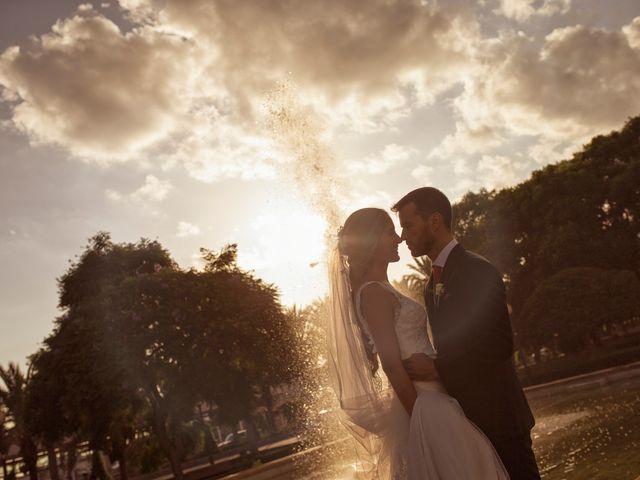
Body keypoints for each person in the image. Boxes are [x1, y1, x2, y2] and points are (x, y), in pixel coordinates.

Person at [328, 207, 508, 479]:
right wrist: (420, 420)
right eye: (390, 232)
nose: (399, 239)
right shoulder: (373, 293)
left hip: (435, 397)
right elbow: (390, 364)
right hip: (424, 404)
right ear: (372, 241)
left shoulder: (381, 288)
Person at [394, 187, 540, 480]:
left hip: (499, 418)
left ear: (434, 220)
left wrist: (436, 367)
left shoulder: (476, 270)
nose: (402, 236)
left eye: (408, 225)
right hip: (466, 420)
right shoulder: (431, 283)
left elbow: (498, 344)